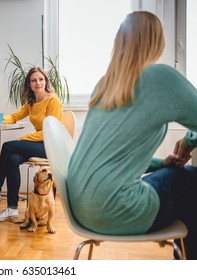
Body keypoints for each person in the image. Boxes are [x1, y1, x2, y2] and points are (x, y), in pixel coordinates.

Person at [66, 11, 197, 259]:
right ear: (156, 40)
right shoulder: (161, 78)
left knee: (177, 176)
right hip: (117, 209)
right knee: (191, 181)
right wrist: (189, 140)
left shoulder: (105, 85)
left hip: (82, 208)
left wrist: (161, 163)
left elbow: (111, 156)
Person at [0, 67, 63, 221]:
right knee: (13, 158)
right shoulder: (32, 102)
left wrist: (25, 138)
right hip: (38, 143)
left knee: (8, 146)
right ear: (29, 83)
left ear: (45, 81)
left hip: (51, 145)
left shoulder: (52, 100)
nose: (38, 83)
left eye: (41, 79)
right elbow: (16, 116)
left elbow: (51, 132)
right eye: (34, 80)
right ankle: (12, 208)